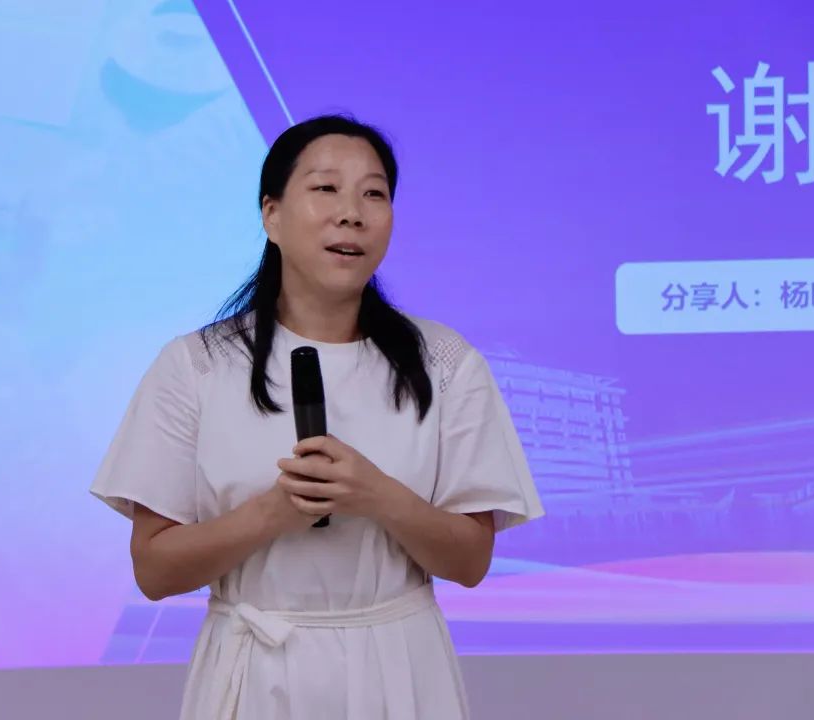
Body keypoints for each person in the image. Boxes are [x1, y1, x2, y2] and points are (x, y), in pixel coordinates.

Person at [90, 114, 544, 719]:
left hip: (398, 666)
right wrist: (272, 513)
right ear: (271, 214)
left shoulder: (445, 363)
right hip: (256, 669)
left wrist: (378, 495)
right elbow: (154, 570)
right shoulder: (197, 365)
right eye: (326, 188)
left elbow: (470, 562)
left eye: (374, 194)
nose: (351, 213)